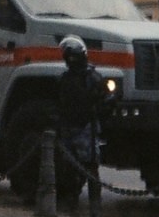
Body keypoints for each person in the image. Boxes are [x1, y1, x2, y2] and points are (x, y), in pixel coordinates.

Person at [56, 35, 110, 212]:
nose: (71, 59)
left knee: (90, 168)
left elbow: (105, 102)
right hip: (71, 127)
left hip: (86, 127)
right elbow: (60, 103)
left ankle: (94, 206)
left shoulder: (92, 77)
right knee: (70, 169)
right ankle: (73, 203)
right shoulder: (66, 78)